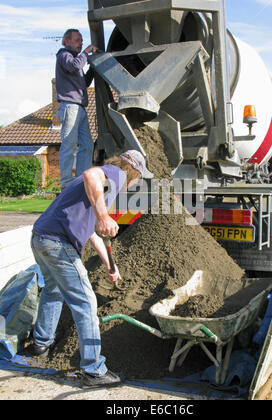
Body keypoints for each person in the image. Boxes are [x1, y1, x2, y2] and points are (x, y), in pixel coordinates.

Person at [29, 150, 146, 388]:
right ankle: (93, 370)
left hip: (41, 237)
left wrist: (110, 265)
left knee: (52, 289)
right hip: (57, 243)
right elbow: (90, 174)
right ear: (134, 173)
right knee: (85, 302)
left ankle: (41, 344)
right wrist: (104, 216)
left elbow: (91, 230)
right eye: (137, 180)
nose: (132, 185)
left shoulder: (101, 190)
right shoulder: (116, 174)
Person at [56, 28, 98, 190]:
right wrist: (87, 52)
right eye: (77, 40)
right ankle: (66, 183)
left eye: (81, 41)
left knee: (87, 144)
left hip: (79, 108)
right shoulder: (64, 55)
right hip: (70, 106)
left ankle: (80, 180)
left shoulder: (76, 61)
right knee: (69, 144)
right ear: (67, 41)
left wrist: (93, 68)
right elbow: (73, 66)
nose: (81, 43)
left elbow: (84, 83)